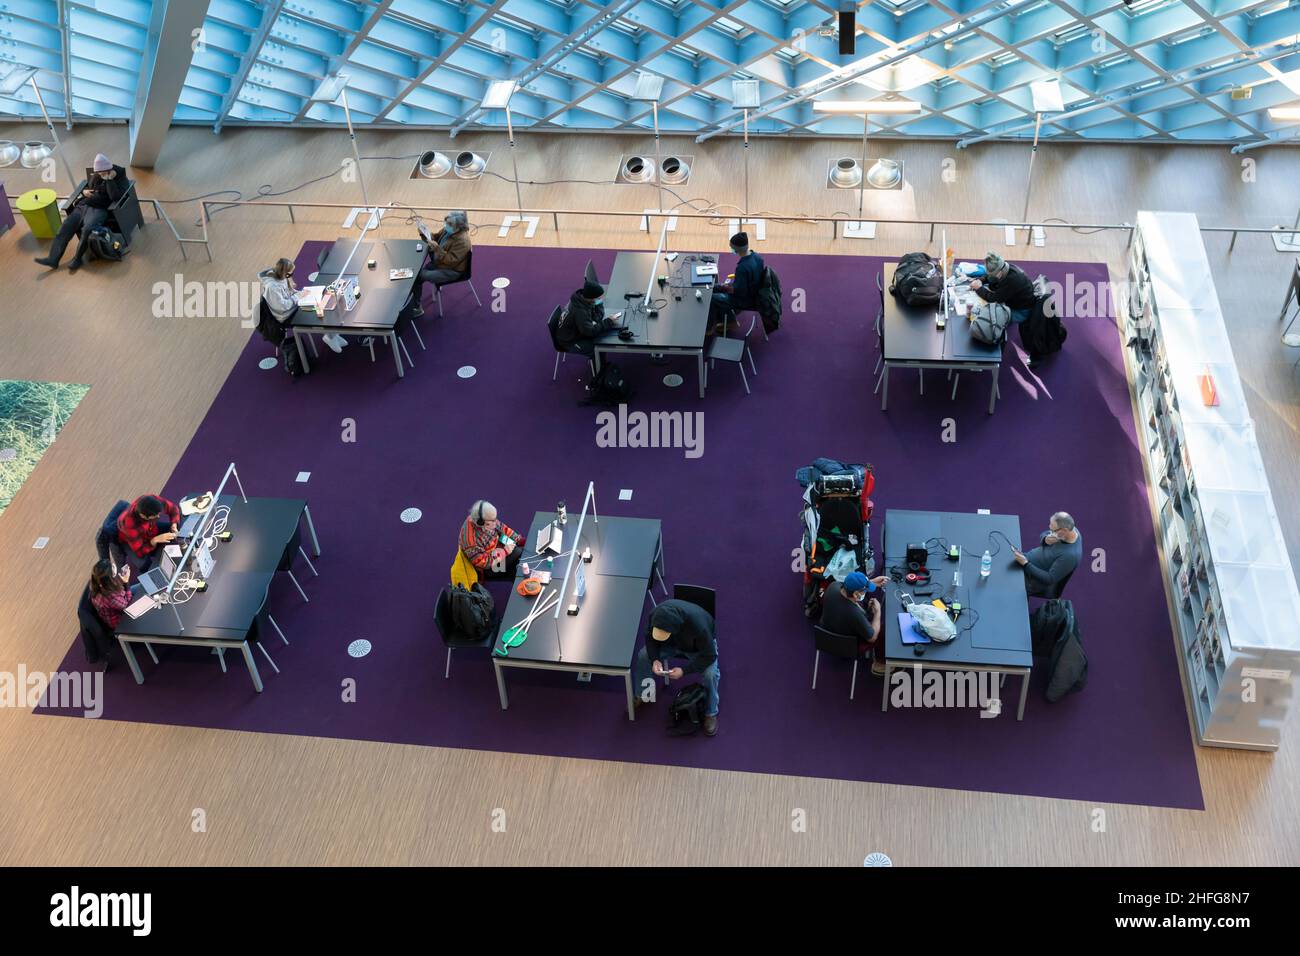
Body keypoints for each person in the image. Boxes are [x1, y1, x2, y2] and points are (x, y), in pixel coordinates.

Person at [632, 599, 720, 735]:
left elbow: (710, 656)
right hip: (672, 643)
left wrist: (684, 671)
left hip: (697, 648)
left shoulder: (699, 626)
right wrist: (655, 659)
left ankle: (711, 712)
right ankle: (644, 694)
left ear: (675, 627)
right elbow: (650, 637)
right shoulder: (655, 614)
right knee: (644, 655)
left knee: (710, 674)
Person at [34, 153, 127, 272]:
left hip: (100, 209)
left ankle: (77, 258)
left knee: (87, 229)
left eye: (101, 172)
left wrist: (109, 179)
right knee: (65, 227)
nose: (99, 174)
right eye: (98, 172)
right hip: (84, 205)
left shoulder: (118, 174)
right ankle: (53, 259)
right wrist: (85, 192)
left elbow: (115, 196)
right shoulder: (97, 174)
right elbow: (89, 185)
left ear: (108, 169)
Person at [259, 257, 348, 354]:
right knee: (318, 312)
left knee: (324, 305)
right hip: (286, 315)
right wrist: (298, 297)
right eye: (291, 273)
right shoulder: (272, 288)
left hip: (294, 305)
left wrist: (300, 293)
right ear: (285, 273)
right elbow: (282, 307)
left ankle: (332, 335)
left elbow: (289, 292)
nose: (291, 275)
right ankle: (329, 336)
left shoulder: (281, 277)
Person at [819, 570, 890, 676]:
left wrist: (871, 582)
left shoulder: (833, 586)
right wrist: (878, 612)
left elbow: (852, 592)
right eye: (864, 591)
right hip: (848, 645)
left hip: (825, 633)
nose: (865, 593)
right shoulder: (854, 613)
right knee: (883, 630)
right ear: (856, 594)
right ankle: (881, 664)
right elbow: (872, 637)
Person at [412, 211, 471, 312]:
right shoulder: (448, 230)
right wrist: (424, 233)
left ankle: (416, 308)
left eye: (449, 224)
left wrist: (437, 249)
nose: (446, 225)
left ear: (459, 227)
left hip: (451, 270)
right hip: (439, 262)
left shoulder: (463, 241)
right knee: (416, 272)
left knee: (417, 276)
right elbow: (434, 238)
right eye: (446, 222)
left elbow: (451, 261)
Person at [1013, 512, 1083, 598]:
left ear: (1064, 530)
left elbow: (1049, 579)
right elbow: (1044, 533)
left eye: (1053, 530)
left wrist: (1026, 564)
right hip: (1025, 560)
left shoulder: (1070, 556)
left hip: (1031, 580)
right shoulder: (1070, 530)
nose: (1050, 530)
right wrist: (1045, 539)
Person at [708, 231, 765, 333]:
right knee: (716, 287)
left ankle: (720, 325)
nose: (731, 250)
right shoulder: (757, 256)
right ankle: (724, 316)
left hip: (745, 299)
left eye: (732, 247)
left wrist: (725, 287)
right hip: (755, 291)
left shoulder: (742, 268)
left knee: (713, 298)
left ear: (737, 248)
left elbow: (739, 292)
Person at [458, 500, 526, 578]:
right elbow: (485, 563)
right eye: (492, 521)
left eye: (495, 519)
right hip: (489, 567)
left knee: (521, 551)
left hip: (496, 546)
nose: (495, 523)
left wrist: (518, 539)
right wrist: (504, 552)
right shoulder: (471, 542)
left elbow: (502, 528)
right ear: (480, 522)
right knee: (518, 556)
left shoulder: (486, 518)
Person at [116, 494, 181, 572]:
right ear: (143, 516)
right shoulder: (129, 524)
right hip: (133, 541)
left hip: (151, 528)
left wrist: (174, 525)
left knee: (178, 528)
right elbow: (140, 551)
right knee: (144, 565)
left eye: (159, 514)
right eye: (155, 516)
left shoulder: (152, 500)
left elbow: (173, 509)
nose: (158, 517)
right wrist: (155, 540)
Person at [556, 280, 622, 355]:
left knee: (600, 334)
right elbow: (590, 332)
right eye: (598, 298)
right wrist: (609, 321)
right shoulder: (580, 311)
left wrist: (599, 303)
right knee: (598, 347)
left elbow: (596, 318)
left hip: (578, 332)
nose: (600, 299)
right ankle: (602, 366)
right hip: (570, 341)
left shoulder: (583, 300)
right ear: (592, 298)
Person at [969, 251, 1036, 320]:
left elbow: (993, 299)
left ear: (1000, 273)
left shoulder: (1011, 280)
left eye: (992, 274)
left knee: (990, 317)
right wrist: (980, 280)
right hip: (1015, 299)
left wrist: (979, 288)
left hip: (1021, 312)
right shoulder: (1005, 267)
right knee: (990, 287)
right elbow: (989, 277)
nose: (990, 276)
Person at [89, 559, 133, 632]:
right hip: (120, 620)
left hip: (119, 601)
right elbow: (126, 605)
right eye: (112, 567)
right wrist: (126, 582)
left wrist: (123, 583)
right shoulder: (109, 596)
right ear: (109, 577)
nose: (114, 566)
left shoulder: (97, 583)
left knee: (139, 588)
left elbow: (120, 592)